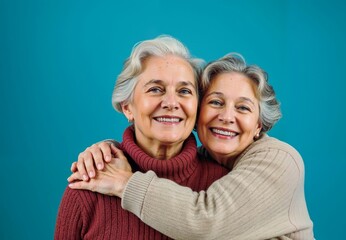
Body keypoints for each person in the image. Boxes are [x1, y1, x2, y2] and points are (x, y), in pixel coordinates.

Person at [69, 53, 314, 239]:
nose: (227, 117)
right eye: (216, 102)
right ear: (198, 112)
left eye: (243, 107)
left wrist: (124, 182)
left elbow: (205, 221)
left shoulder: (280, 160)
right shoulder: (206, 163)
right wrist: (110, 151)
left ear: (259, 125)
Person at [54, 35, 229, 239]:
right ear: (127, 107)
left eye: (184, 91)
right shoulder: (89, 184)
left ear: (197, 107)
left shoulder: (222, 184)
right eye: (155, 89)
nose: (171, 103)